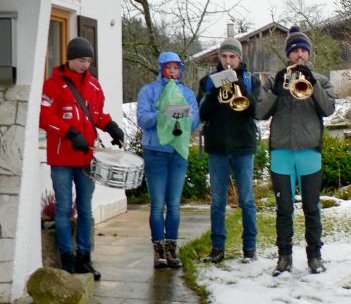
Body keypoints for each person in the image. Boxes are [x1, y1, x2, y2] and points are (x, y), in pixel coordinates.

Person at [40, 36, 126, 280]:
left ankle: (85, 258)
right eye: (81, 60)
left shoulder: (95, 85)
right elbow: (44, 117)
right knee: (65, 208)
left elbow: (97, 114)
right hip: (62, 159)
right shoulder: (53, 84)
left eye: (88, 60)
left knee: (86, 210)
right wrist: (69, 133)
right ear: (70, 58)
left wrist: (111, 126)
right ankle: (67, 258)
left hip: (88, 157)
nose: (85, 65)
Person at [261, 26, 336, 276]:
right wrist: (275, 90)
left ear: (309, 53)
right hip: (282, 152)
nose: (300, 55)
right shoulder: (276, 80)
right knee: (284, 208)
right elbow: (260, 113)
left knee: (312, 207)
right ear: (288, 55)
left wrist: (312, 83)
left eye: (304, 50)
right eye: (295, 51)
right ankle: (284, 257)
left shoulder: (321, 79)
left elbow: (328, 110)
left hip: (309, 151)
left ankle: (315, 256)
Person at [196, 38, 262, 264]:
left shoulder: (251, 80)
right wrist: (215, 92)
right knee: (217, 202)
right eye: (224, 56)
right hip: (217, 148)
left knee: (247, 200)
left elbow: (257, 111)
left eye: (232, 57)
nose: (228, 61)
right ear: (219, 58)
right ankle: (218, 248)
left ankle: (250, 248)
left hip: (243, 146)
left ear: (239, 59)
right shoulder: (207, 82)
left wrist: (240, 88)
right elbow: (201, 114)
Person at [137, 52, 200, 269]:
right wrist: (161, 114)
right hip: (155, 152)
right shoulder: (148, 91)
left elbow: (194, 121)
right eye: (168, 68)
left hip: (178, 153)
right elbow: (143, 120)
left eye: (176, 68)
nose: (173, 72)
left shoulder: (187, 93)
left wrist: (179, 115)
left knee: (173, 205)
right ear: (161, 69)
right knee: (157, 205)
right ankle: (158, 249)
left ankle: (172, 248)